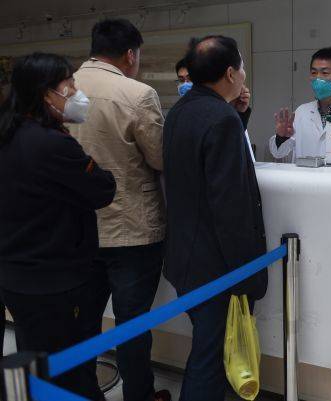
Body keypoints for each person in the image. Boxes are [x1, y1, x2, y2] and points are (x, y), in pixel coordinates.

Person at [0, 52, 116, 399]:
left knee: (38, 361)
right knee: (72, 373)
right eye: (69, 85)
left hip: (17, 275)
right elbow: (102, 189)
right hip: (55, 281)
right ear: (46, 93)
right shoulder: (51, 144)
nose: (76, 92)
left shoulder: (9, 134)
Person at [68, 19, 169, 401]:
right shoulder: (138, 94)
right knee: (131, 328)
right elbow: (159, 158)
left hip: (80, 229)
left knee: (83, 324)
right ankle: (138, 395)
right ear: (130, 54)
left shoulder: (64, 89)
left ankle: (85, 392)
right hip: (132, 230)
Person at [163, 35, 268, 401]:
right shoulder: (220, 119)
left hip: (186, 260)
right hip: (215, 269)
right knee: (209, 361)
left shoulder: (181, 110)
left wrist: (237, 115)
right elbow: (230, 208)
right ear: (229, 73)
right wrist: (246, 276)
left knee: (207, 350)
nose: (243, 74)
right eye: (241, 66)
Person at [269, 47, 331, 161]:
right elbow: (278, 153)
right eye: (314, 72)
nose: (318, 78)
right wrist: (281, 137)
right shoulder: (301, 112)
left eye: (325, 73)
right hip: (305, 173)